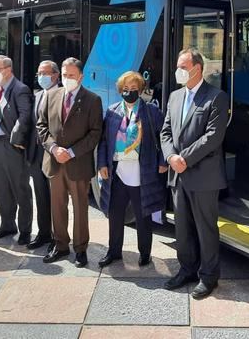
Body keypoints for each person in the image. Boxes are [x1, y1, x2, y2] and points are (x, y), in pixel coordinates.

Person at [160, 47, 229, 299]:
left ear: (197, 69)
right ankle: (186, 269)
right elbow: (165, 131)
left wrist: (184, 158)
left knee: (205, 228)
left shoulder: (216, 97)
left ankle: (209, 276)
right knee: (183, 227)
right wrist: (170, 156)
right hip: (178, 174)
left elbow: (213, 137)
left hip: (203, 175)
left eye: (182, 67)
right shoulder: (175, 96)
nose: (178, 71)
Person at [97, 71, 167, 268]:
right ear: (120, 90)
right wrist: (102, 163)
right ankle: (114, 251)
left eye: (134, 89)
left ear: (141, 90)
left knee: (143, 215)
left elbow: (165, 137)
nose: (129, 92)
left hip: (141, 171)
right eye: (126, 89)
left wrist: (163, 161)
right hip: (117, 171)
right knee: (115, 213)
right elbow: (103, 141)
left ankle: (145, 253)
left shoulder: (151, 112)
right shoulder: (112, 111)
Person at [37, 57, 102, 268]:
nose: (67, 79)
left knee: (80, 208)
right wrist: (54, 148)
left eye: (71, 75)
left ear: (81, 76)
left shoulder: (92, 100)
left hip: (78, 163)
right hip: (55, 161)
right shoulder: (51, 95)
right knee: (57, 207)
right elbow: (42, 126)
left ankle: (81, 249)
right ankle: (61, 245)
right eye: (64, 75)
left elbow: (95, 134)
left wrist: (72, 152)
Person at [0, 55, 33, 245]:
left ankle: (25, 230)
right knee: (1, 189)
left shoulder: (19, 89)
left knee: (20, 189)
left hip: (11, 145)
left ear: (7, 69)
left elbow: (25, 116)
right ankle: (7, 225)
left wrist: (16, 140)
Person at [25, 60, 60, 250]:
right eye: (39, 73)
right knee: (40, 195)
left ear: (55, 75)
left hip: (53, 153)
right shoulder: (37, 95)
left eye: (45, 73)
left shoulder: (62, 94)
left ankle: (58, 236)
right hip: (36, 154)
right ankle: (44, 233)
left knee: (56, 197)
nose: (41, 77)